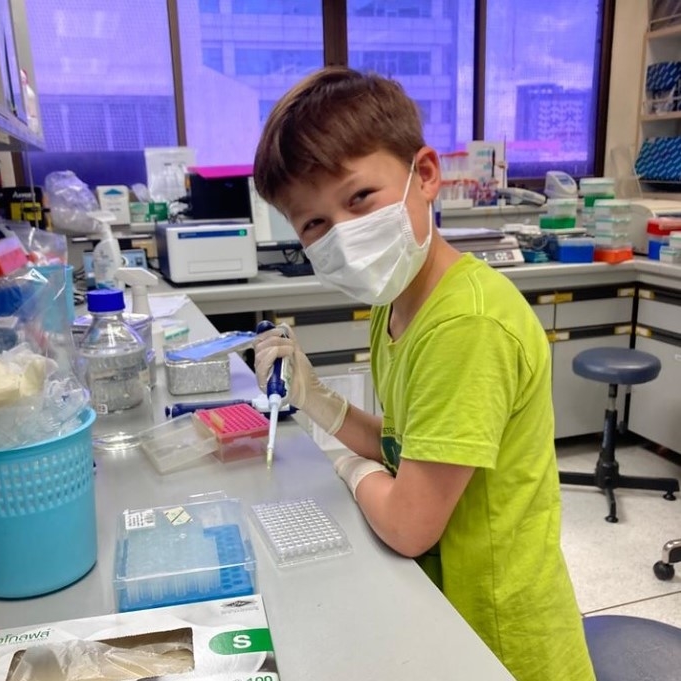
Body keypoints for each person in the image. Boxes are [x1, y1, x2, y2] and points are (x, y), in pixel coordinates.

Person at [252, 66, 595, 681]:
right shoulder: (396, 304)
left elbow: (410, 524)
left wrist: (348, 467)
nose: (345, 234)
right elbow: (406, 442)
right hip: (444, 611)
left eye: (359, 198)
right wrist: (316, 399)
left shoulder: (467, 325)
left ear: (426, 175)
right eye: (313, 224)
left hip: (499, 638)